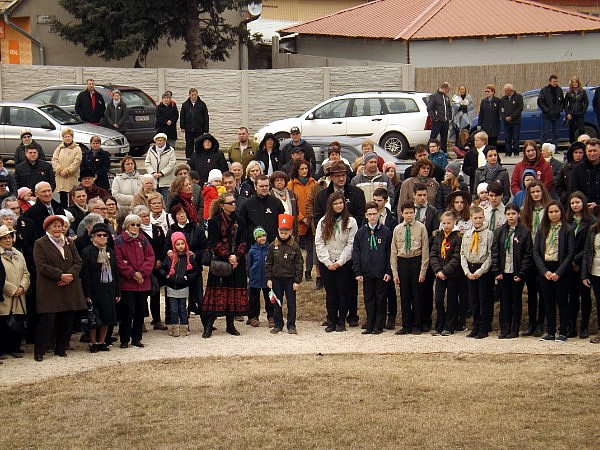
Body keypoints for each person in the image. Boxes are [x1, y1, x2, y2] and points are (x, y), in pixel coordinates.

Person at [33, 215, 86, 362]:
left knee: (67, 317)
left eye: (59, 226)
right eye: (54, 226)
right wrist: (60, 276)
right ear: (47, 228)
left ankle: (61, 348)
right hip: (51, 286)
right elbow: (41, 265)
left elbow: (78, 261)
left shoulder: (69, 242)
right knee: (48, 319)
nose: (57, 229)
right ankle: (40, 351)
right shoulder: (40, 243)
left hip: (69, 285)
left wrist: (70, 275)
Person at [201, 193, 248, 338]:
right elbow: (214, 242)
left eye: (234, 202)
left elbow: (244, 241)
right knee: (217, 294)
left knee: (233, 294)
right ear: (222, 205)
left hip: (237, 263)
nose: (233, 204)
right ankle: (209, 325)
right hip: (221, 262)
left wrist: (237, 257)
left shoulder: (239, 220)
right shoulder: (214, 221)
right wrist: (228, 256)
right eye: (230, 203)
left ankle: (230, 325)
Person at [315, 191, 358, 333]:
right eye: (336, 203)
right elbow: (319, 243)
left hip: (344, 262)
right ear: (330, 205)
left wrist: (340, 262)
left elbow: (351, 244)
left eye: (341, 203)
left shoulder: (351, 222)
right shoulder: (323, 222)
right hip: (327, 262)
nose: (339, 206)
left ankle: (341, 321)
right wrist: (327, 262)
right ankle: (332, 320)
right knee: (331, 293)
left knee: (343, 292)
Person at [533, 201, 574, 342]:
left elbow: (570, 252)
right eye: (550, 212)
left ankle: (563, 331)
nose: (554, 214)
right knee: (548, 302)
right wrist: (544, 271)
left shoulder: (567, 229)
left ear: (561, 212)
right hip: (545, 269)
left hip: (561, 269)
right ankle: (550, 332)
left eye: (556, 211)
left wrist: (559, 272)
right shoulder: (542, 229)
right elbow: (536, 252)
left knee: (562, 301)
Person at [491, 203, 533, 339]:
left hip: (517, 273)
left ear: (518, 214)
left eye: (513, 213)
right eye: (508, 214)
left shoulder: (525, 232)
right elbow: (495, 252)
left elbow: (528, 254)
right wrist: (497, 271)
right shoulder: (499, 232)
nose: (511, 216)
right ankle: (504, 328)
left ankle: (515, 329)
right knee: (505, 301)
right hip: (503, 272)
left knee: (516, 300)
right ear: (505, 215)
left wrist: (521, 273)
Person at [114, 214, 155, 348]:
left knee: (140, 311)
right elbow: (118, 261)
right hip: (127, 284)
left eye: (138, 225)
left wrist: (142, 273)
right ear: (126, 225)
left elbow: (150, 257)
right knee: (127, 312)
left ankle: (137, 338)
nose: (135, 227)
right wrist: (132, 274)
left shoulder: (143, 240)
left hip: (142, 282)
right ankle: (124, 339)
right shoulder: (119, 241)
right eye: (133, 224)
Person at [350, 202, 390, 335]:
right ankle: (370, 323)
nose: (372, 217)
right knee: (369, 299)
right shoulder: (361, 233)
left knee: (381, 298)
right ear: (366, 216)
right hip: (366, 271)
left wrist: (388, 271)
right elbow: (356, 252)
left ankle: (379, 325)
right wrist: (357, 271)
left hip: (381, 271)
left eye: (374, 214)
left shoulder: (386, 232)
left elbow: (389, 253)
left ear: (378, 214)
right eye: (369, 214)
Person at [391, 201, 428, 335]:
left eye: (411, 212)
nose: (409, 215)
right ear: (402, 214)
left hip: (416, 261)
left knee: (417, 295)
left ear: (414, 213)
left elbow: (425, 250)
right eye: (406, 213)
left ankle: (417, 324)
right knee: (404, 295)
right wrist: (395, 272)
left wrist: (423, 271)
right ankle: (406, 325)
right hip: (402, 262)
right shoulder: (397, 229)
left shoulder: (421, 228)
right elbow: (393, 251)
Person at [80, 223, 119, 353]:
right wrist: (86, 294)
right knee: (94, 318)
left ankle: (102, 341)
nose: (102, 237)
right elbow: (85, 274)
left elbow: (115, 272)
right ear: (93, 237)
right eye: (99, 235)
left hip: (108, 288)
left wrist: (117, 291)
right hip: (94, 289)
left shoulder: (110, 251)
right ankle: (92, 342)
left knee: (107, 317)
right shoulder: (87, 252)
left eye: (104, 235)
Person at [521, 180, 552, 337]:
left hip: (544, 254)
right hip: (529, 254)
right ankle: (532, 323)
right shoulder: (526, 211)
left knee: (544, 290)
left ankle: (541, 323)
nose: (535, 194)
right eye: (532, 192)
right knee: (532, 291)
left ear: (542, 192)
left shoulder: (549, 209)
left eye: (538, 191)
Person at [265, 214, 303, 335]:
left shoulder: (294, 246)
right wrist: (269, 278)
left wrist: (297, 281)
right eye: (281, 232)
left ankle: (291, 325)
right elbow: (268, 262)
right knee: (277, 303)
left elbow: (299, 264)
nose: (283, 235)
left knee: (291, 303)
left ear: (290, 232)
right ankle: (278, 324)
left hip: (290, 279)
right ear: (278, 231)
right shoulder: (273, 246)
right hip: (276, 279)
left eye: (286, 233)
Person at [460, 206, 494, 339]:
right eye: (475, 218)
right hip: (470, 268)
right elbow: (463, 254)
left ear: (484, 218)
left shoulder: (489, 234)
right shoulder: (467, 234)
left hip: (483, 270)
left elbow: (490, 255)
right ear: (471, 218)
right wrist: (467, 271)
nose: (478, 220)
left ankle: (484, 328)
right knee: (474, 300)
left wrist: (480, 272)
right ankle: (476, 325)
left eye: (480, 218)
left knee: (483, 299)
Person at [411, 183, 439, 332]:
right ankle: (413, 319)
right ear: (414, 195)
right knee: (413, 289)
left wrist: (422, 243)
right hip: (411, 256)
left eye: (424, 195)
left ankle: (426, 320)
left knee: (427, 289)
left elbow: (434, 233)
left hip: (426, 254)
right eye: (419, 195)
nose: (422, 198)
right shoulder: (409, 210)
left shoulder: (432, 212)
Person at [134, 204, 167, 331]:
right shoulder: (137, 232)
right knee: (142, 296)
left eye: (148, 215)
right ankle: (140, 321)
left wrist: (160, 260)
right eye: (143, 216)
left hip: (157, 266)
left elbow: (164, 246)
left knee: (156, 293)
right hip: (143, 268)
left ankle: (157, 320)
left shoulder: (157, 229)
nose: (147, 218)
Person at [566, 191, 594, 339]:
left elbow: (589, 246)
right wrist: (569, 260)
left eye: (577, 202)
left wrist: (576, 259)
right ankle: (572, 327)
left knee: (585, 296)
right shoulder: (567, 220)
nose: (575, 205)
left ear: (583, 202)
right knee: (572, 296)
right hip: (569, 264)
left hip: (583, 264)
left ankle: (584, 327)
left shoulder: (591, 221)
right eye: (572, 203)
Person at [159, 231, 198, 337]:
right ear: (173, 245)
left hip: (183, 286)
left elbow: (196, 270)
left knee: (182, 308)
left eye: (182, 243)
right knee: (173, 309)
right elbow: (162, 268)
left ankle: (184, 327)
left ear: (185, 244)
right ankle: (174, 328)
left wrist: (188, 277)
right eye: (177, 244)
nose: (180, 246)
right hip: (171, 286)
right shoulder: (170, 258)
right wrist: (166, 275)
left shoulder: (189, 257)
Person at [430, 211, 461, 336]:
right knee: (438, 300)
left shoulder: (458, 237)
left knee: (451, 300)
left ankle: (449, 326)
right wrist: (438, 270)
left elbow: (456, 257)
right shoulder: (438, 236)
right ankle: (439, 325)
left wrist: (445, 271)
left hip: (452, 274)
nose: (446, 225)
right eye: (444, 223)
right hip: (439, 274)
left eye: (449, 223)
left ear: (454, 222)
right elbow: (433, 254)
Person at [0, 224, 29, 358]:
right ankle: (1, 350)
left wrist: (23, 287)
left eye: (9, 237)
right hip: (5, 294)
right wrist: (12, 289)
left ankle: (14, 348)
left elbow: (26, 273)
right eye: (4, 238)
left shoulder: (19, 254)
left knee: (17, 320)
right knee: (3, 322)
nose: (8, 240)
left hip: (19, 295)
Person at [288, 159, 317, 280]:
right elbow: (291, 204)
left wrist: (310, 217)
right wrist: (301, 217)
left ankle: (308, 272)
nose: (304, 171)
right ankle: (295, 271)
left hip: (311, 221)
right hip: (297, 222)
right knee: (295, 248)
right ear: (297, 170)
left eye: (306, 168)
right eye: (301, 169)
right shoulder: (291, 184)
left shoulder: (314, 183)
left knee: (310, 248)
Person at [239, 174, 284, 244]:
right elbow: (243, 225)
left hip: (273, 243)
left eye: (266, 186)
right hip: (254, 244)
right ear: (255, 187)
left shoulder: (276, 202)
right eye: (261, 186)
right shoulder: (247, 204)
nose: (264, 188)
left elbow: (281, 223)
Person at [247, 227, 272, 327]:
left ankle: (272, 316)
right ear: (255, 239)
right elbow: (249, 265)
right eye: (259, 236)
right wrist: (249, 276)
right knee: (253, 300)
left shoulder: (270, 249)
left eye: (263, 236)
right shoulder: (252, 251)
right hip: (255, 279)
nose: (262, 238)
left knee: (269, 299)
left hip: (267, 279)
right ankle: (253, 317)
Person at [52, 128, 82, 207]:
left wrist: (67, 171)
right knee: (63, 199)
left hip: (71, 177)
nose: (67, 138)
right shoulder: (59, 148)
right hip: (60, 177)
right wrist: (59, 170)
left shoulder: (77, 149)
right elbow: (54, 160)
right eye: (65, 137)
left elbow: (77, 162)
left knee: (73, 197)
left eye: (69, 136)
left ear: (72, 137)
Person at [145, 132, 177, 201]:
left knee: (165, 201)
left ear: (165, 141)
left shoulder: (171, 150)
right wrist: (153, 173)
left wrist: (161, 173)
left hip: (166, 182)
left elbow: (172, 164)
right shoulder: (151, 150)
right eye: (157, 140)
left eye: (161, 140)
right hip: (154, 181)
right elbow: (147, 163)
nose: (159, 142)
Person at [570, 138, 600, 209]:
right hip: (584, 207)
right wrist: (585, 202)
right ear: (585, 152)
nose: (592, 154)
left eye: (595, 151)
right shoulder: (577, 169)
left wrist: (597, 204)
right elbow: (574, 189)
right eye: (589, 151)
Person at [180, 88, 209, 161]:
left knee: (199, 144)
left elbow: (206, 117)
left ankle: (200, 159)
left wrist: (206, 129)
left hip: (199, 129)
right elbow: (182, 116)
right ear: (189, 95)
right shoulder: (185, 105)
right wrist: (182, 127)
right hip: (188, 129)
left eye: (195, 94)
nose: (194, 96)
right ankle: (189, 160)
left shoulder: (202, 104)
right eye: (192, 95)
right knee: (189, 145)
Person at [538, 75, 564, 149]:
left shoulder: (559, 90)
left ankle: (554, 148)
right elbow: (540, 101)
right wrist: (547, 110)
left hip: (556, 115)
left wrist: (560, 109)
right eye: (554, 81)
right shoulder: (544, 90)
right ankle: (543, 149)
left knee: (556, 133)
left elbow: (562, 101)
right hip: (547, 115)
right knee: (545, 133)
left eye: (556, 81)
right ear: (550, 82)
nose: (555, 83)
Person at [557, 141, 585, 206]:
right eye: (576, 152)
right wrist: (565, 196)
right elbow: (559, 185)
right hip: (568, 202)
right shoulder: (566, 167)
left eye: (580, 153)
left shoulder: (587, 168)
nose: (578, 155)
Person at [427, 82, 452, 153]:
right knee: (433, 138)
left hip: (445, 121)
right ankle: (429, 153)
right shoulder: (434, 96)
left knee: (444, 139)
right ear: (445, 88)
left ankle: (444, 154)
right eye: (448, 90)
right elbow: (429, 108)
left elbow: (449, 108)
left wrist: (449, 117)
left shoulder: (446, 97)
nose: (448, 91)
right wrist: (435, 118)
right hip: (437, 122)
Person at [500, 84, 524, 157]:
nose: (505, 92)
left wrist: (512, 117)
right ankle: (508, 152)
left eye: (506, 91)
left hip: (516, 121)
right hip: (506, 122)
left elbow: (520, 108)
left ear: (510, 90)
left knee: (516, 137)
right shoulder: (503, 99)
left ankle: (516, 152)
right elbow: (501, 110)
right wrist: (505, 117)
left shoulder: (518, 97)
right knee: (507, 137)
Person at [564, 76, 588, 143]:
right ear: (571, 83)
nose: (575, 84)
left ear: (578, 83)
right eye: (573, 82)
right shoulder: (569, 92)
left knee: (581, 130)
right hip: (571, 114)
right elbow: (565, 104)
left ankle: (582, 143)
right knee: (571, 130)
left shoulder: (583, 92)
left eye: (576, 82)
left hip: (580, 113)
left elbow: (586, 103)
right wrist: (568, 113)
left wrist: (583, 111)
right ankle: (572, 143)